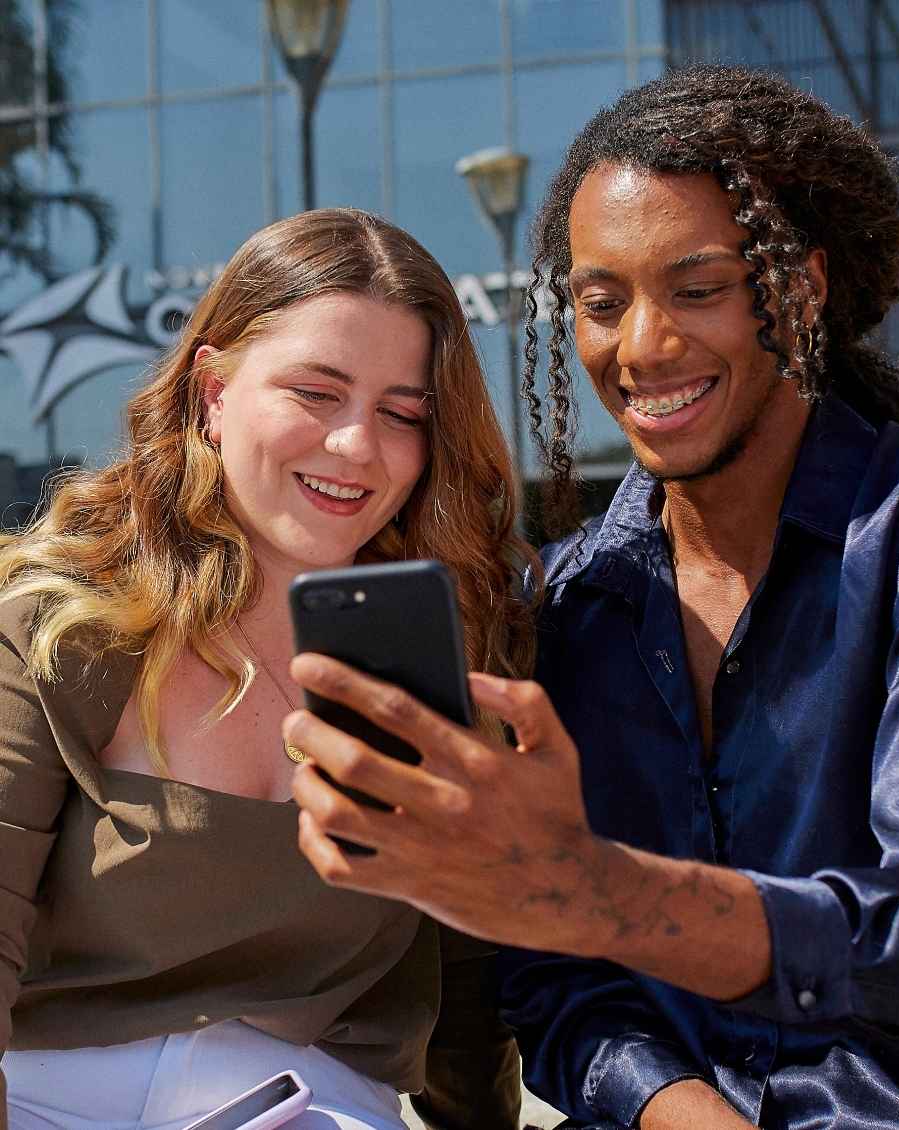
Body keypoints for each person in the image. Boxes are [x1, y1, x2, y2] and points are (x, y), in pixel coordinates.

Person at [288, 67, 899, 1129]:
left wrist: (599, 892)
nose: (643, 345)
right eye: (602, 303)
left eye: (698, 289)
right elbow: (558, 984)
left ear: (800, 290)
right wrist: (678, 1105)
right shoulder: (569, 601)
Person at [0, 208, 532, 1130]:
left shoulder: (451, 642)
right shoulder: (62, 622)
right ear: (212, 392)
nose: (357, 445)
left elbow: (469, 983)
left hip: (313, 1103)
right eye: (317, 394)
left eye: (401, 413)